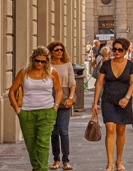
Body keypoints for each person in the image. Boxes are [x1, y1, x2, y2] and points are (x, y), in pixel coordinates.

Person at [8, 47, 62, 171]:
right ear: (32, 60)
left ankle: (42, 168)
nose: (39, 64)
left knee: (43, 142)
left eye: (43, 61)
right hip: (27, 113)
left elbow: (59, 90)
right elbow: (12, 91)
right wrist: (17, 110)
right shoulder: (24, 72)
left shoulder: (52, 72)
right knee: (30, 144)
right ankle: (37, 167)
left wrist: (56, 106)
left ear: (47, 61)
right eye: (37, 61)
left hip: (47, 111)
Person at [91, 37, 133, 171]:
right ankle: (109, 163)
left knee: (121, 131)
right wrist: (94, 103)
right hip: (108, 99)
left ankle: (119, 161)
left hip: (124, 100)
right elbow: (99, 83)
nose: (116, 52)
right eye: (114, 49)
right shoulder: (106, 64)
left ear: (126, 51)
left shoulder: (130, 65)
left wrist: (127, 98)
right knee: (110, 129)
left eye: (120, 50)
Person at [48, 41, 76, 170]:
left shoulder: (67, 65)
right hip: (49, 98)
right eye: (56, 50)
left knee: (63, 131)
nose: (59, 52)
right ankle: (56, 160)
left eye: (61, 50)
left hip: (64, 98)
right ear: (51, 52)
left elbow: (72, 83)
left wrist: (70, 97)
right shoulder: (47, 65)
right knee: (53, 131)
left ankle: (66, 160)